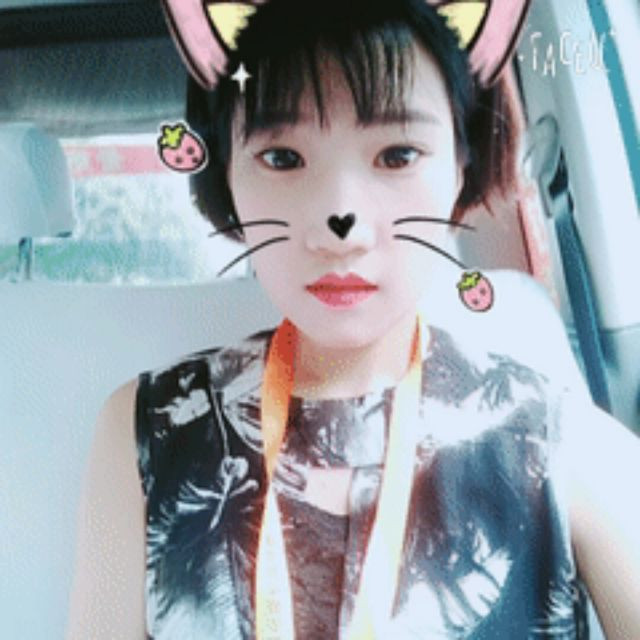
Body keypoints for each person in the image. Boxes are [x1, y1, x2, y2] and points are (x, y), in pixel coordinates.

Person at [65, 0, 640, 638]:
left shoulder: (561, 442)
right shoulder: (147, 431)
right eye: (282, 158)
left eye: (397, 155)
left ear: (462, 164)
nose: (340, 224)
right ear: (226, 175)